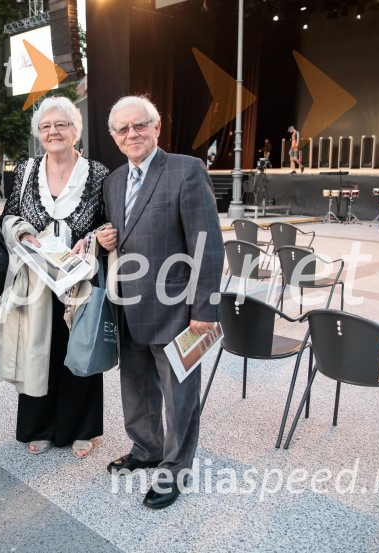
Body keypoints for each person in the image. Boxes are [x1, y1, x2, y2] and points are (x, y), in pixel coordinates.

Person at [96, 96, 224, 509]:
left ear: (156, 127)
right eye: (122, 129)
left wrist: (205, 310)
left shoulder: (187, 170)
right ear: (114, 137)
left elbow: (208, 246)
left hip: (177, 312)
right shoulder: (113, 181)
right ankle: (146, 449)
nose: (131, 134)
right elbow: (124, 232)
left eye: (139, 125)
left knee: (179, 395)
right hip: (128, 307)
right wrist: (104, 238)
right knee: (135, 389)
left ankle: (175, 470)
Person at [0, 97, 109, 458]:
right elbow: (9, 216)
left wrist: (90, 239)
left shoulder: (98, 174)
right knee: (39, 351)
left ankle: (82, 428)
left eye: (61, 125)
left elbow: (109, 223)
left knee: (80, 348)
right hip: (37, 280)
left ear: (75, 130)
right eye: (46, 127)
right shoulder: (26, 170)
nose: (53, 132)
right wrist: (24, 234)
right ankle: (39, 427)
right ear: (38, 134)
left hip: (79, 279)